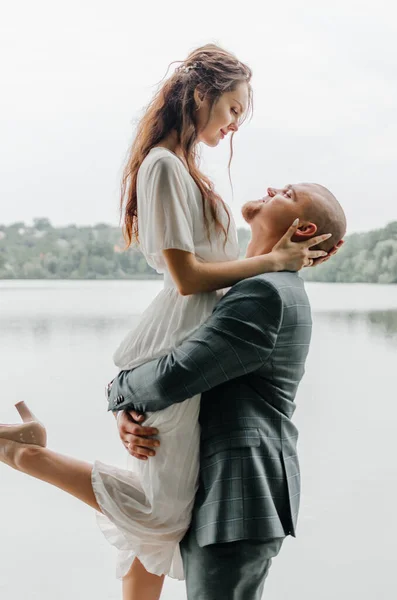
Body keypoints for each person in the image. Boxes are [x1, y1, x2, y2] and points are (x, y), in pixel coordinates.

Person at [0, 42, 334, 600]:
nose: (234, 126)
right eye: (233, 109)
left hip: (181, 352)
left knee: (154, 528)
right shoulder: (163, 165)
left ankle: (25, 448)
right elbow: (186, 277)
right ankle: (21, 451)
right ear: (202, 94)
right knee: (158, 516)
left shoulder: (193, 178)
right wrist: (276, 258)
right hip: (176, 337)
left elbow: (210, 288)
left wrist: (132, 397)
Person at [109, 181, 347, 600]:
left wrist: (118, 390)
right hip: (221, 491)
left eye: (287, 193)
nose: (272, 187)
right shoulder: (252, 284)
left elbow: (172, 377)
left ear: (304, 230)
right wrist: (128, 414)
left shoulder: (264, 293)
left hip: (237, 493)